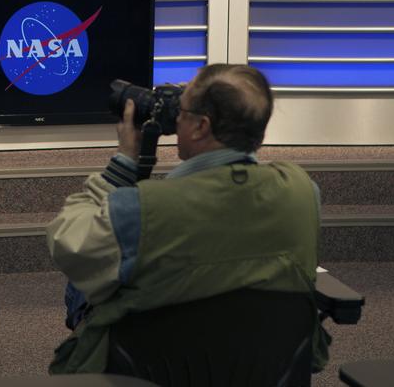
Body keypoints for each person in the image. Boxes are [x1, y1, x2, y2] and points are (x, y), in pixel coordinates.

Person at [45, 64, 321, 374]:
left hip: (151, 373)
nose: (175, 119)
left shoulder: (143, 210)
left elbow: (66, 240)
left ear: (201, 127)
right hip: (263, 370)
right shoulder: (303, 191)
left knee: (88, 276)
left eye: (182, 109)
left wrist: (122, 165)